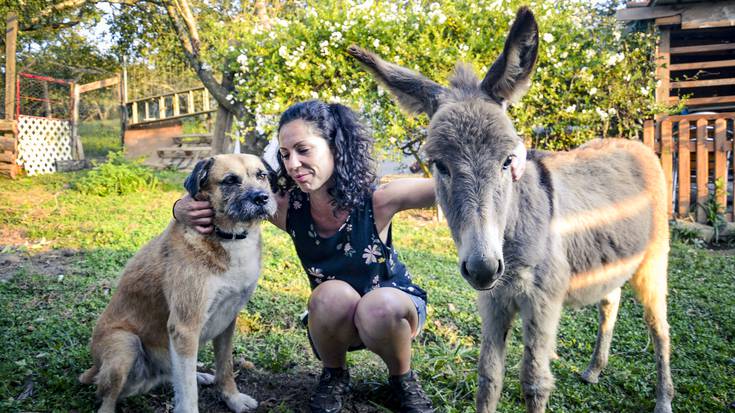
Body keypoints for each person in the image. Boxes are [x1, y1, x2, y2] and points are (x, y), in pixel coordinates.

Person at [173, 100, 436, 413]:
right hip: (334, 319)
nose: (293, 164)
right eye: (285, 155)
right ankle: (335, 375)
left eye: (303, 150)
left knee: (379, 305)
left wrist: (512, 158)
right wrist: (179, 207)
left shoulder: (378, 198)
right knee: (327, 296)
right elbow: (226, 197)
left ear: (334, 147)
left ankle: (402, 380)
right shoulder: (288, 207)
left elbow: (454, 183)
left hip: (393, 312)